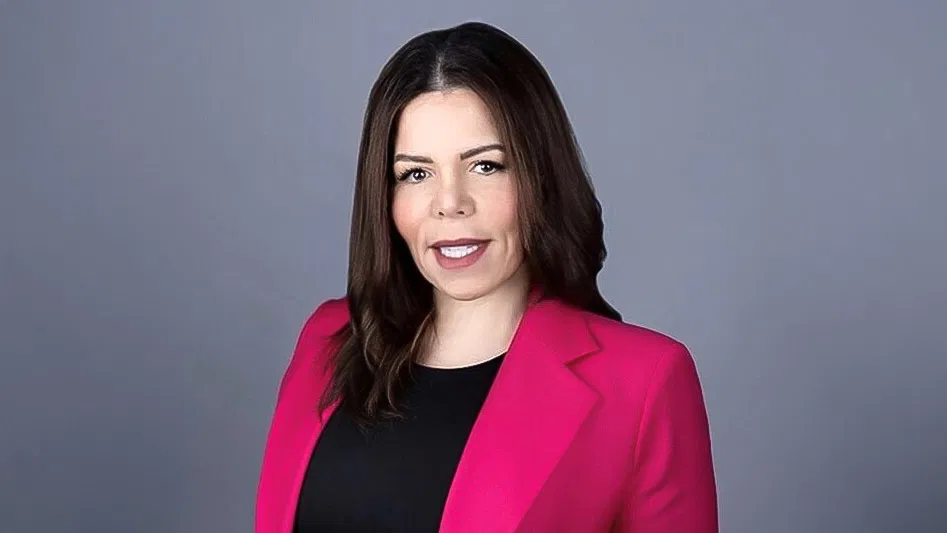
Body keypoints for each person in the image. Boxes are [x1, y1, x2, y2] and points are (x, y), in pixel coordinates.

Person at [255, 21, 717, 533]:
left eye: (486, 166)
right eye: (416, 173)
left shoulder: (644, 382)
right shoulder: (328, 336)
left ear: (540, 176)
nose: (450, 203)